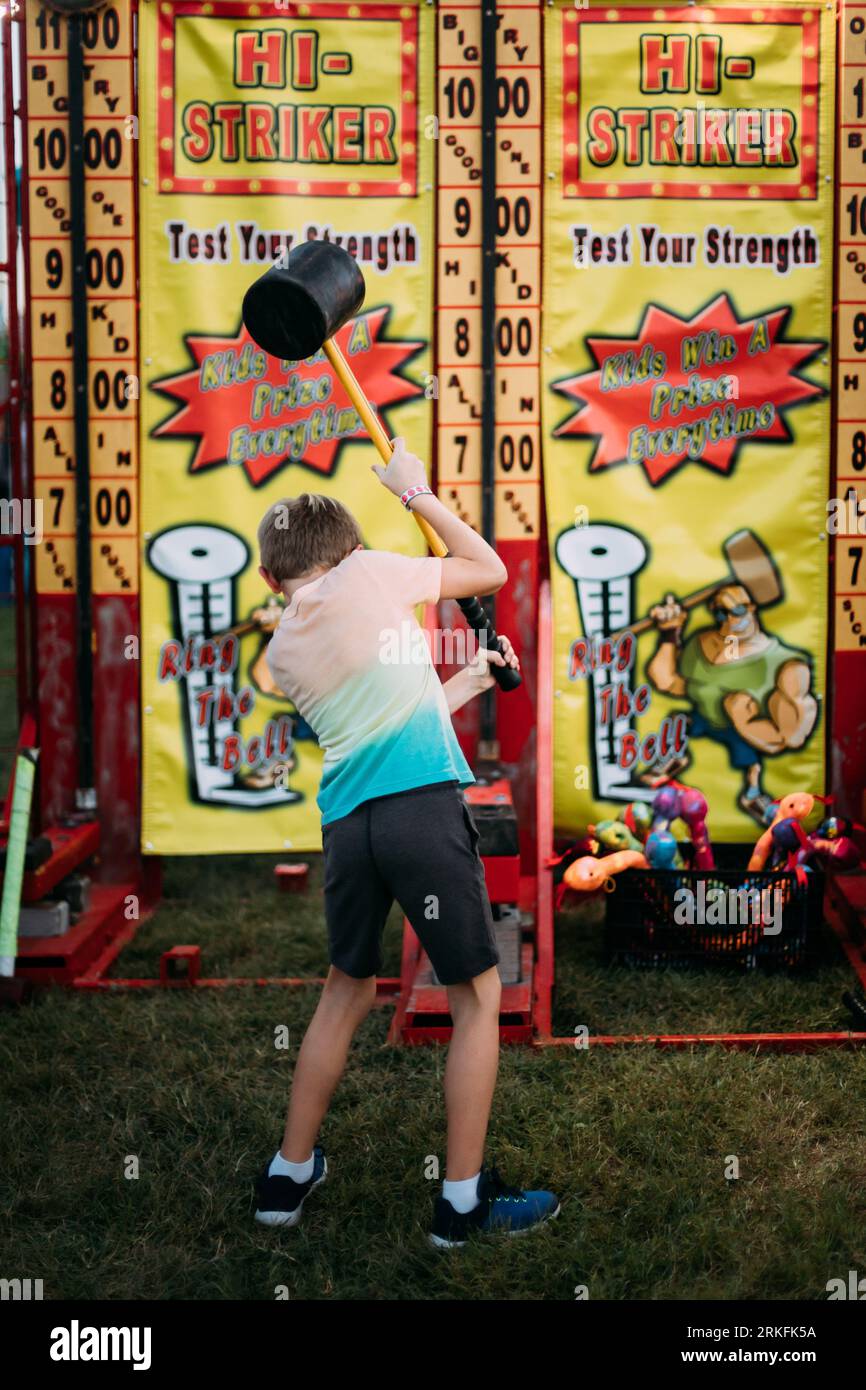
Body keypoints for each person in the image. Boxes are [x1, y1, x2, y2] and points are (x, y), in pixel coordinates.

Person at [252, 438, 559, 1248]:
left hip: (352, 829)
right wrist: (416, 494)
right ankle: (460, 1206)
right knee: (478, 998)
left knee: (344, 991)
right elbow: (487, 568)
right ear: (350, 551)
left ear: (269, 580)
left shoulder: (284, 645)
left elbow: (385, 717)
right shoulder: (368, 572)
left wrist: (467, 681)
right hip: (421, 813)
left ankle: (285, 1179)